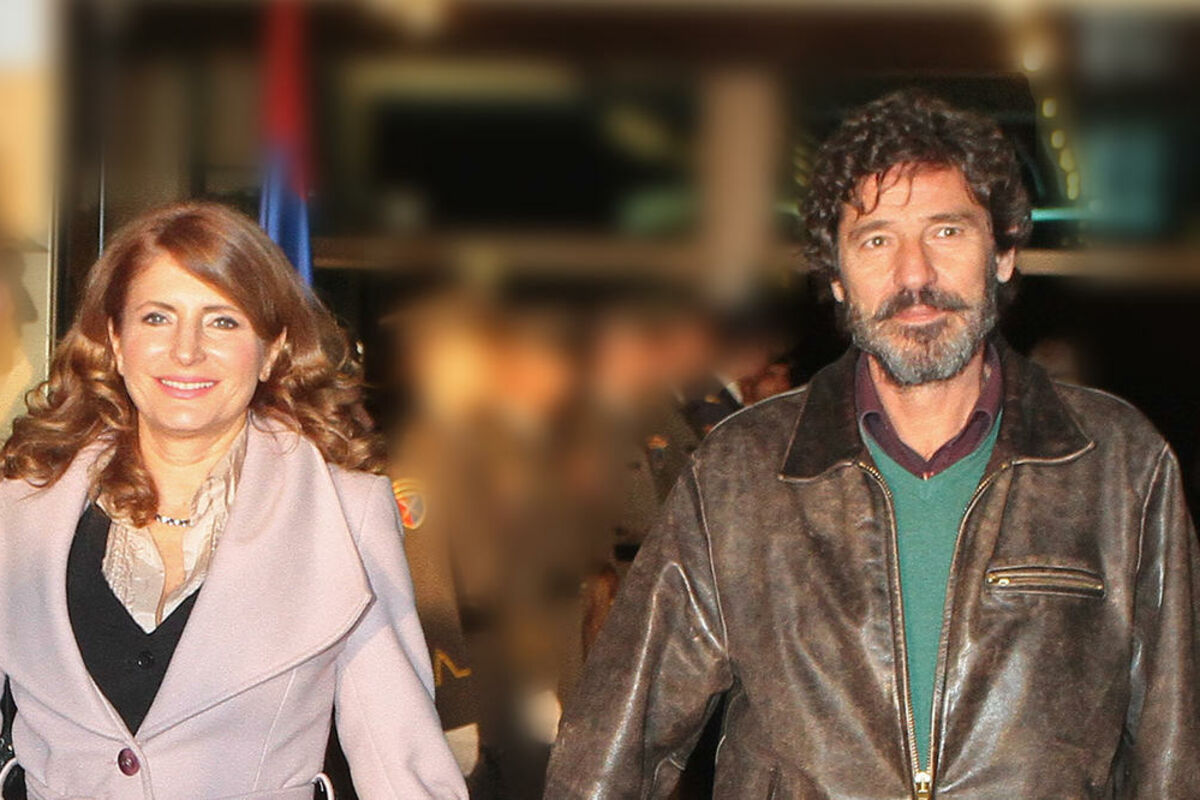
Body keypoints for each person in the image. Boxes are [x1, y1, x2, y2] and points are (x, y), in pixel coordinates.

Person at [545, 90, 1200, 798]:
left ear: (1005, 254)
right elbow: (615, 747)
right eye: (877, 240)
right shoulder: (743, 472)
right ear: (836, 276)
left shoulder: (1118, 465)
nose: (914, 275)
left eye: (946, 231)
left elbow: (1172, 752)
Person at [0, 202, 468, 799]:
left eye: (222, 322)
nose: (186, 350)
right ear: (115, 339)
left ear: (273, 349)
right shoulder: (22, 501)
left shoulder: (345, 512)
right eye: (156, 318)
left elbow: (397, 755)